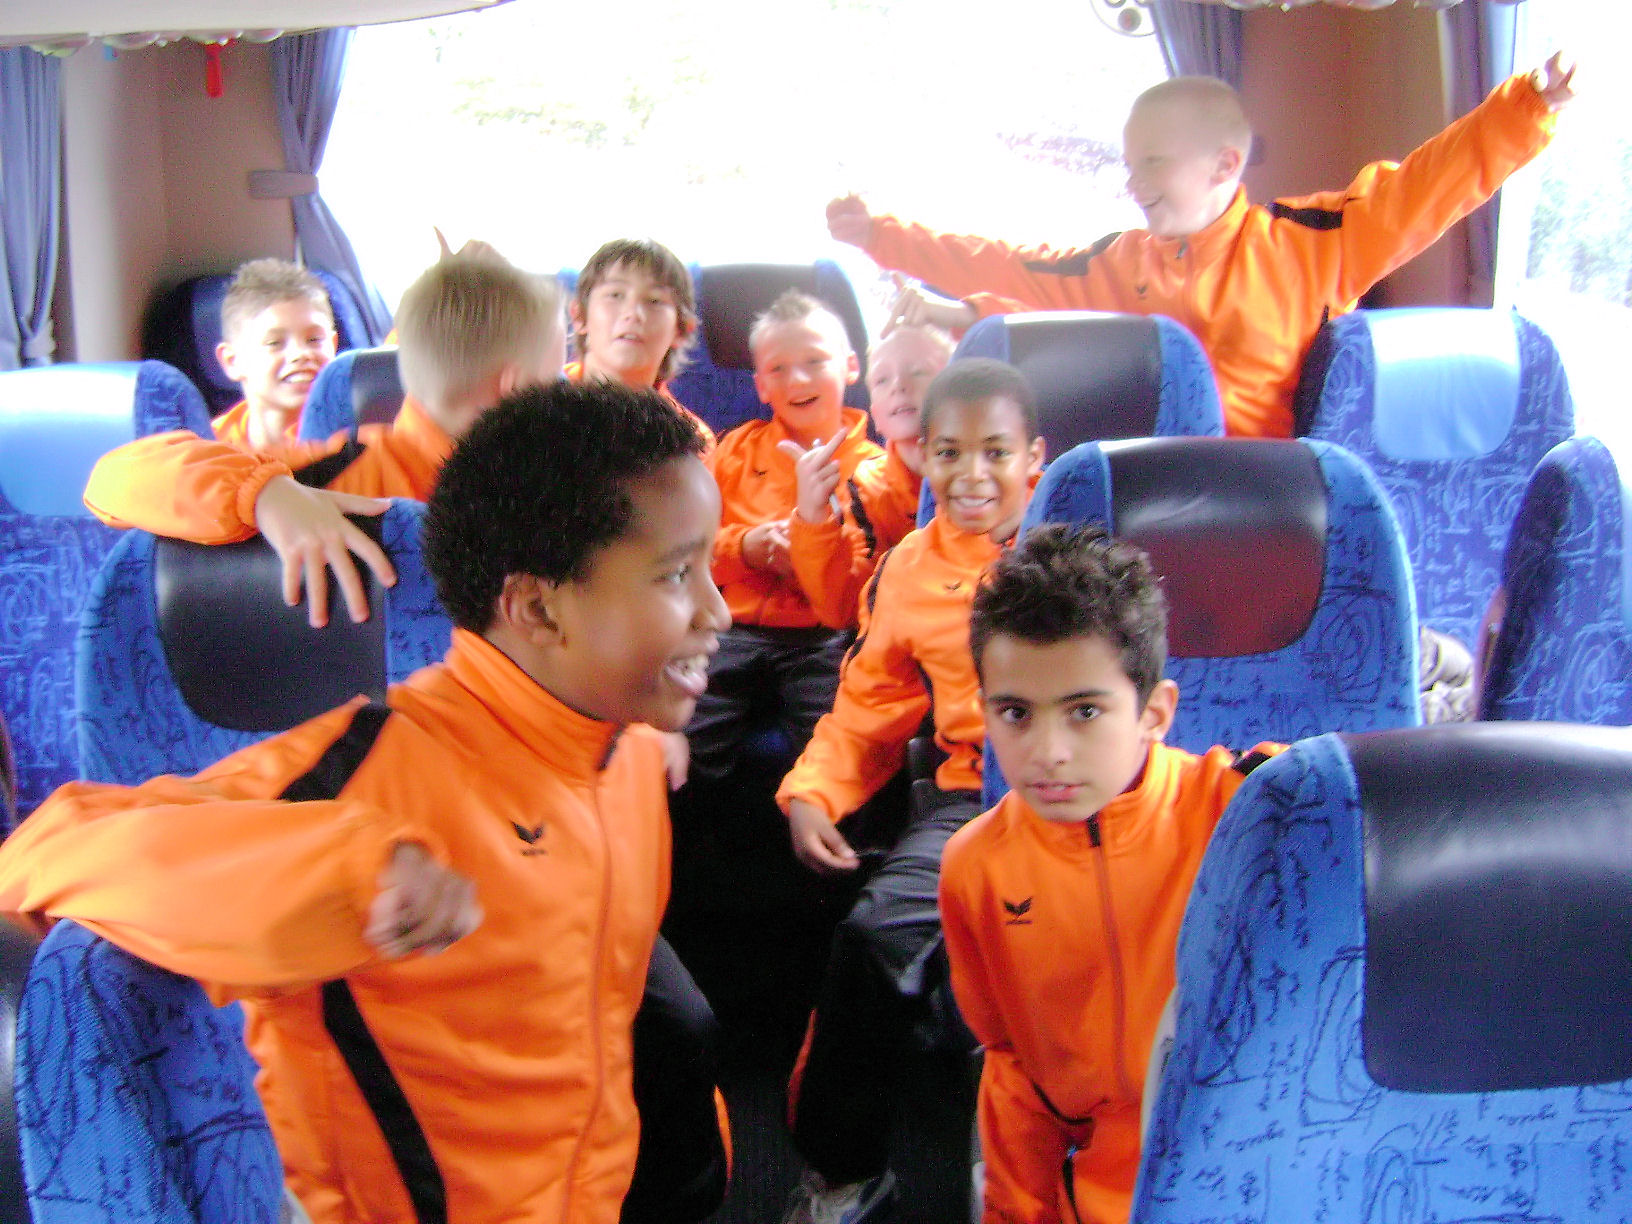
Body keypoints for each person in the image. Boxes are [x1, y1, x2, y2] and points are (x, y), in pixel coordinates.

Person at [0, 381, 731, 1224]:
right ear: (536, 607)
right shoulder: (368, 775)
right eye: (679, 575)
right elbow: (43, 849)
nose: (721, 610)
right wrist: (342, 871)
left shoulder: (622, 755)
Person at [826, 54, 1577, 440]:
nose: (1133, 184)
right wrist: (881, 236)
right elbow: (999, 261)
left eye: (1152, 163)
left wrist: (1529, 104)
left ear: (1224, 165)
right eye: (1128, 165)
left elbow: (1427, 187)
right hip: (1142, 497)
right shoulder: (1118, 263)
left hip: (1267, 503)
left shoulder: (1310, 244)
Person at [939, 523, 1282, 1224]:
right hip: (1097, 1178)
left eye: (1085, 711)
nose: (1048, 752)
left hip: (1252, 1160)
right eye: (1015, 713)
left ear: (1155, 712)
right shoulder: (975, 869)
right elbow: (1014, 1073)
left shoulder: (1244, 814)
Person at [774, 358, 1045, 1224]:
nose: (972, 475)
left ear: (1034, 457)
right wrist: (814, 791)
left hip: (1104, 794)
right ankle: (844, 1174)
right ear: (923, 455)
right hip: (977, 798)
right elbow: (867, 708)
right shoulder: (911, 569)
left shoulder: (1089, 541)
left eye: (995, 452)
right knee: (871, 937)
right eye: (950, 453)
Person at [84, 253, 568, 627]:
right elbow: (113, 478)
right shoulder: (340, 477)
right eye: (557, 381)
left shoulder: (559, 490)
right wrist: (266, 496)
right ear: (515, 389)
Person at [682, 290, 882, 787]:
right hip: (732, 627)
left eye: (815, 362)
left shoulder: (875, 473)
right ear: (761, 386)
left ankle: (829, 826)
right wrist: (745, 548)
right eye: (778, 369)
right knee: (687, 738)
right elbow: (686, 546)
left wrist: (813, 552)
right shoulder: (733, 450)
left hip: (824, 637)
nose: (798, 380)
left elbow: (858, 589)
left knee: (838, 749)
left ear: (850, 366)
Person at [787, 323, 953, 629]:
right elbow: (845, 607)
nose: (899, 386)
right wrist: (813, 514)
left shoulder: (992, 473)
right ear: (876, 413)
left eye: (918, 372)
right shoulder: (867, 488)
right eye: (882, 379)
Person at [567, 238, 717, 453]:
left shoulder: (690, 441)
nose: (633, 314)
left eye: (654, 301)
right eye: (615, 295)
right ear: (579, 316)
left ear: (681, 330)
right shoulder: (533, 399)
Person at [210, 258, 337, 448]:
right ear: (233, 361)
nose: (300, 354)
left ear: (333, 346)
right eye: (274, 343)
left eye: (314, 340)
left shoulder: (371, 439)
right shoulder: (209, 452)